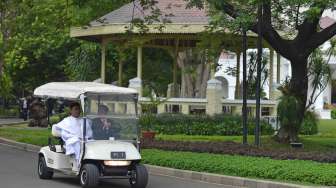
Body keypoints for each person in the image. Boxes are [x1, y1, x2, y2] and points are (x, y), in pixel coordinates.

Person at [53, 102, 92, 171]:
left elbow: (89, 133)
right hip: (71, 141)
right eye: (76, 109)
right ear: (71, 111)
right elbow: (61, 133)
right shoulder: (66, 121)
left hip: (84, 139)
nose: (78, 111)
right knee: (76, 142)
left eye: (79, 109)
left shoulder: (84, 120)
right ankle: (76, 163)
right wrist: (75, 136)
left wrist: (85, 137)